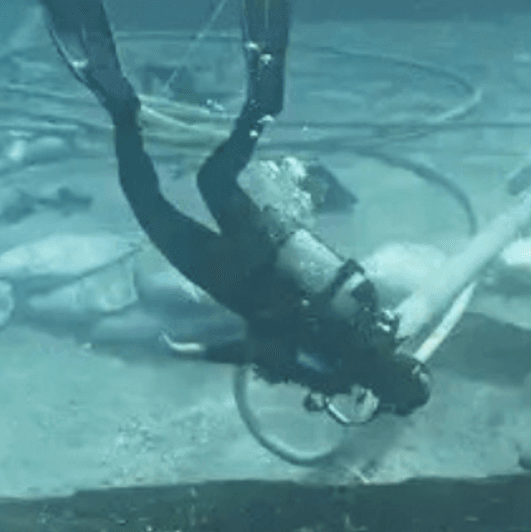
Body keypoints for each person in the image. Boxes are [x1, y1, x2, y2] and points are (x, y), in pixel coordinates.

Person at [40, 0, 430, 418]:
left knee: (214, 179)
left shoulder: (380, 322)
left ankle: (262, 106)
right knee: (150, 208)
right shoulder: (333, 373)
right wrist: (194, 352)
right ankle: (121, 110)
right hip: (239, 281)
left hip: (267, 246)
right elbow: (255, 352)